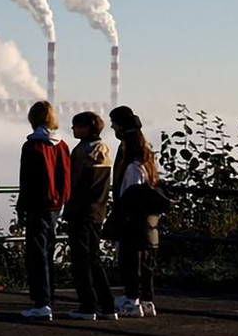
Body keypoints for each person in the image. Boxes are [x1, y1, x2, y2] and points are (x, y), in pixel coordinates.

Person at [106, 112, 168, 319]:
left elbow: (131, 193)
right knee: (146, 263)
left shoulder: (132, 166)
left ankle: (132, 300)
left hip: (134, 221)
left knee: (131, 262)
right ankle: (147, 300)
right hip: (148, 222)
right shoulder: (147, 161)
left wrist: (120, 216)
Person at [15, 101, 71, 321]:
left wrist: (22, 206)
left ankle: (42, 302)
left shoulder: (32, 146)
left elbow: (26, 179)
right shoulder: (61, 145)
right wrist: (62, 199)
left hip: (37, 205)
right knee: (48, 250)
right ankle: (49, 297)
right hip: (55, 205)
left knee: (37, 253)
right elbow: (65, 176)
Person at [63, 111, 117, 321]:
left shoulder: (82, 152)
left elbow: (73, 182)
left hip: (80, 211)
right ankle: (107, 304)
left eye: (76, 126)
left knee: (80, 260)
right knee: (94, 258)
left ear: (86, 128)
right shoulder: (104, 149)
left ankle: (87, 305)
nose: (73, 129)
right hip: (97, 211)